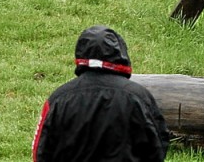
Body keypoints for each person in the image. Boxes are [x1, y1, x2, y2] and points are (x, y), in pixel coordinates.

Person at [32, 25, 170, 162]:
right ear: (120, 53)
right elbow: (158, 144)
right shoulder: (139, 97)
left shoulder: (59, 98)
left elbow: (40, 151)